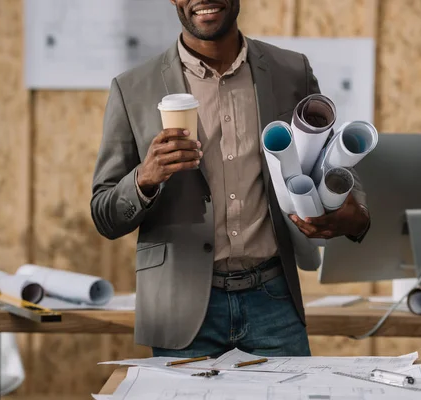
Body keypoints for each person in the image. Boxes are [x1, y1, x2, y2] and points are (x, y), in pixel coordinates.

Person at [90, 0, 370, 358]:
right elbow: (104, 214)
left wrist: (356, 215)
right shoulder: (132, 89)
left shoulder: (290, 71)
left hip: (274, 300)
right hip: (182, 307)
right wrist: (145, 179)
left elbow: (331, 159)